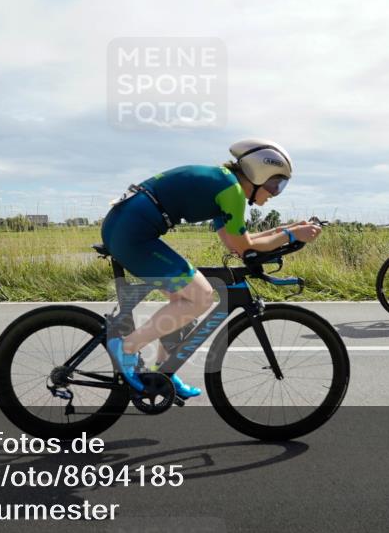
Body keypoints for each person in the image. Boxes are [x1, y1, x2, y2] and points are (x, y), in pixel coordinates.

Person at [100, 139, 322, 397]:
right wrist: (291, 236)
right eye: (276, 184)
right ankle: (126, 348)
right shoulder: (232, 191)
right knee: (201, 297)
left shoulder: (224, 185)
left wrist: (290, 230)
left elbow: (239, 246)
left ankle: (162, 373)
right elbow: (245, 246)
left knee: (184, 305)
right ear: (258, 173)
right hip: (131, 233)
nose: (274, 192)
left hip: (127, 226)